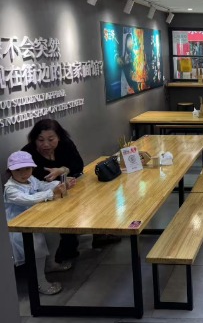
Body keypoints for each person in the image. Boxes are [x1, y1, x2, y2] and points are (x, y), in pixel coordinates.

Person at [21, 119, 120, 263]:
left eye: (51, 139)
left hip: (71, 185)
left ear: (59, 137)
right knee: (63, 213)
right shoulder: (27, 153)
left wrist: (63, 170)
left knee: (95, 196)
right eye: (40, 140)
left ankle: (98, 234)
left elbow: (78, 164)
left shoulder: (66, 144)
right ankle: (65, 249)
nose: (46, 144)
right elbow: (32, 180)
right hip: (43, 194)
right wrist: (58, 182)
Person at [4, 151, 76, 295]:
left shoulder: (31, 179)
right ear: (10, 171)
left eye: (27, 168)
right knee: (37, 248)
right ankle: (39, 281)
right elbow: (27, 199)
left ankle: (50, 264)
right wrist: (52, 193)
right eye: (18, 170)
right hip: (19, 226)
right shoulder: (10, 188)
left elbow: (43, 185)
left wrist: (61, 184)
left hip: (36, 219)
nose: (24, 173)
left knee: (53, 235)